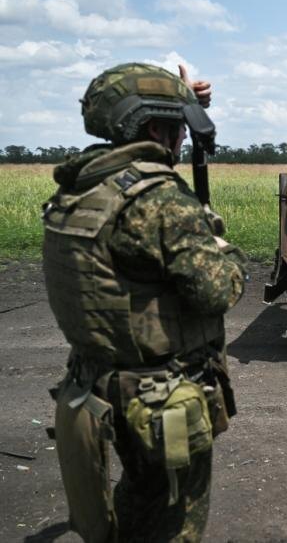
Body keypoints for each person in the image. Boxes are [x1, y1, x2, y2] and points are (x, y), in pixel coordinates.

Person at [42, 62, 247, 542]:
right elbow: (217, 291)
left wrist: (182, 99)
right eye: (176, 126)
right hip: (159, 399)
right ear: (157, 128)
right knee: (174, 521)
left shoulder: (81, 187)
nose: (180, 140)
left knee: (139, 499)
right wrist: (223, 247)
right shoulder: (160, 199)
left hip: (98, 388)